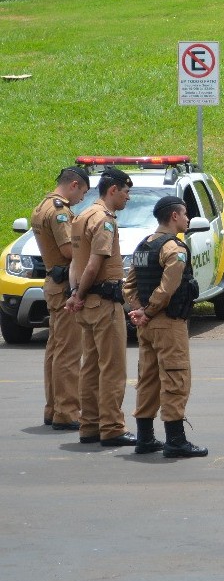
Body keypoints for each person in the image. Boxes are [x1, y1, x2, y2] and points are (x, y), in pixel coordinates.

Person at [123, 195, 207, 458]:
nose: (187, 219)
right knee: (175, 378)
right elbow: (168, 287)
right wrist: (148, 311)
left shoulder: (143, 246)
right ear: (174, 216)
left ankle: (145, 437)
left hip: (146, 326)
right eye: (184, 214)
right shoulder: (174, 249)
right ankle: (175, 440)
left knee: (147, 379)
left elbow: (129, 285)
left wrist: (139, 310)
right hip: (168, 323)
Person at [64, 167, 136, 446]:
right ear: (113, 190)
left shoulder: (81, 216)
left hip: (86, 302)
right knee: (113, 368)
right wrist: (79, 293)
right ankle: (112, 427)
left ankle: (90, 425)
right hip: (103, 302)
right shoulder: (104, 220)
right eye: (126, 192)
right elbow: (94, 263)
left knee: (91, 367)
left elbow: (74, 263)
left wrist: (74, 293)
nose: (128, 198)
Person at [30, 165, 89, 430]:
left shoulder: (43, 206)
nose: (81, 200)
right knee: (68, 351)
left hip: (53, 283)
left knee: (55, 350)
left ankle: (53, 407)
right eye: (83, 193)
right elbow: (68, 250)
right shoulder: (59, 211)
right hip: (64, 284)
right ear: (74, 185)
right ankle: (67, 411)